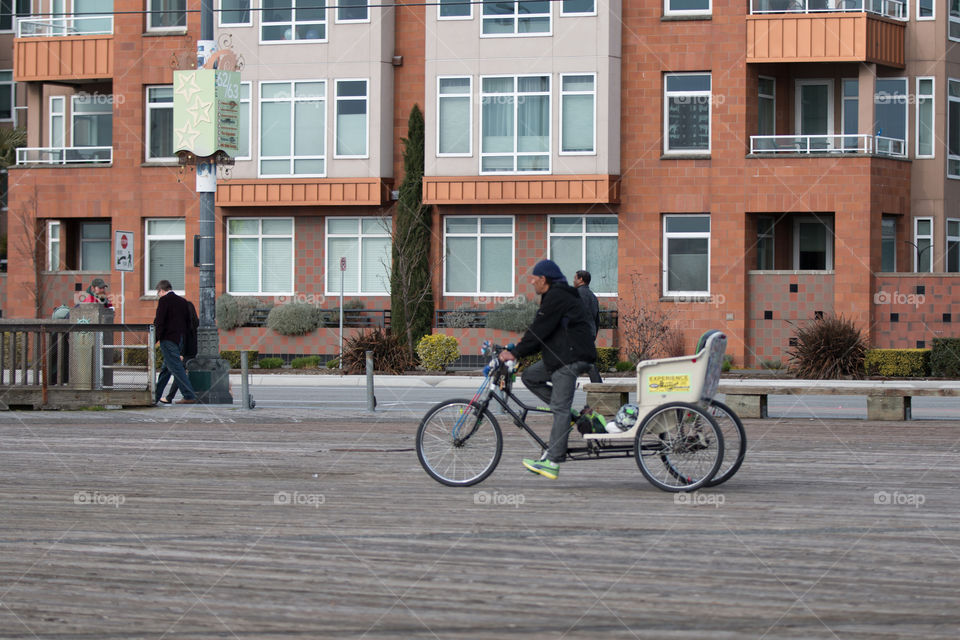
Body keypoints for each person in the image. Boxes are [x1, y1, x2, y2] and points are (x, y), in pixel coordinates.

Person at [499, 259, 597, 479]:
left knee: (559, 409)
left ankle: (552, 461)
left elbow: (538, 330)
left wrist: (515, 353)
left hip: (570, 357)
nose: (532, 283)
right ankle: (571, 414)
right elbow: (543, 332)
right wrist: (520, 350)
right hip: (561, 355)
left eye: (534, 279)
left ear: (544, 279)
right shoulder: (554, 296)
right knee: (531, 376)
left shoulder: (557, 296)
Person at [153, 280, 198, 405]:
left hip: (168, 339)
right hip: (180, 339)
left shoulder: (164, 301)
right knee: (166, 369)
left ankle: (189, 395)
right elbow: (187, 322)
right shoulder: (182, 301)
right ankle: (156, 395)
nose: (159, 295)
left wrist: (154, 339)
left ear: (161, 290)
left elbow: (159, 322)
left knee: (176, 368)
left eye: (159, 293)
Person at [573, 270, 603, 384]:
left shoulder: (577, 294)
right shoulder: (593, 296)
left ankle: (599, 389)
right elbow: (596, 318)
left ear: (581, 279)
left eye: (575, 278)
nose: (573, 280)